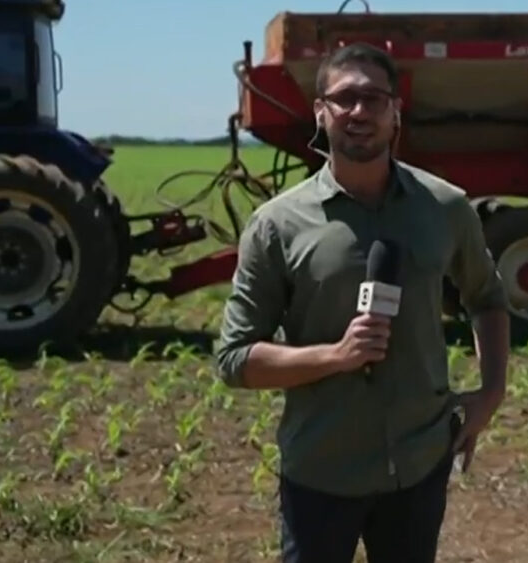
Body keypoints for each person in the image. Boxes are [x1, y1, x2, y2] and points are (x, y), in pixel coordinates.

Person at [215, 42, 510, 563]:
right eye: (344, 98)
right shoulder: (278, 225)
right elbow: (235, 360)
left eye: (374, 98)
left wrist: (491, 393)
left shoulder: (444, 207)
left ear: (396, 112)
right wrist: (336, 355)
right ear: (320, 112)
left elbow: (486, 296)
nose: (359, 111)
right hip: (321, 473)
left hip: (419, 467)